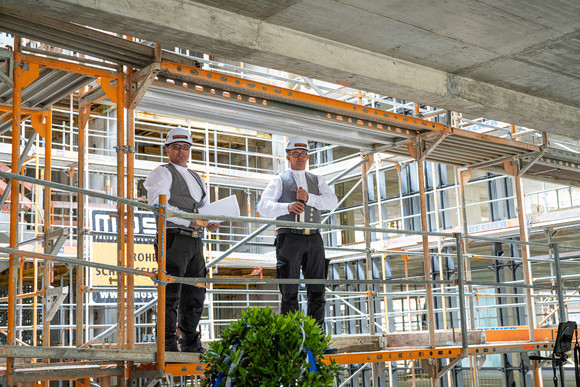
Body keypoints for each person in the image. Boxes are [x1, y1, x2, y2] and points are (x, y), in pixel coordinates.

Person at [144, 127, 219, 353]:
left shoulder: (197, 177)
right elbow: (159, 206)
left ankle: (190, 341)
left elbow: (202, 208)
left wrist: (209, 221)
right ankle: (167, 344)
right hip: (173, 238)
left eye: (185, 147)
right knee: (171, 295)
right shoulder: (161, 172)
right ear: (167, 149)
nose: (181, 151)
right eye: (176, 147)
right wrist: (190, 221)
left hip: (195, 241)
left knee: (195, 293)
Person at [257, 136, 338, 331]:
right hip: (289, 237)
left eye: (303, 154)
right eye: (295, 154)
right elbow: (262, 206)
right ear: (288, 157)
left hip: (314, 237)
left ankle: (315, 338)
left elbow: (332, 202)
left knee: (317, 291)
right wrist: (288, 207)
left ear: (307, 156)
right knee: (289, 291)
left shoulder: (317, 179)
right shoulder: (279, 179)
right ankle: (291, 338)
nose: (300, 158)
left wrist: (309, 198)